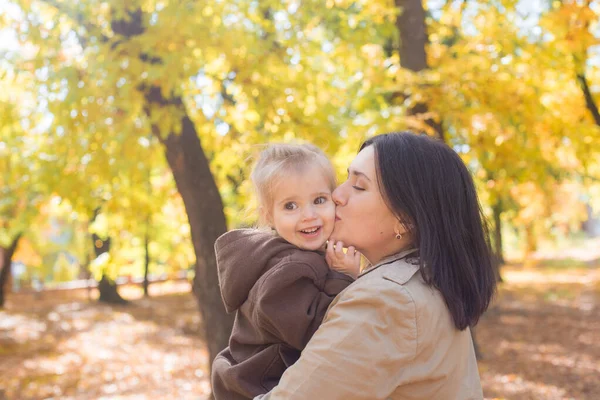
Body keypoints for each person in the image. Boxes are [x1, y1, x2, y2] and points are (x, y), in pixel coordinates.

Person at [256, 132, 497, 400]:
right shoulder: (426, 281)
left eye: (358, 186)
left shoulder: (387, 301)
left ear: (404, 221)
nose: (336, 195)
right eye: (345, 178)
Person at [211, 143, 361, 400]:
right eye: (291, 206)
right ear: (268, 216)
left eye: (319, 200)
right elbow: (321, 336)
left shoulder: (294, 255)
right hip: (262, 389)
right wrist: (343, 277)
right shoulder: (290, 268)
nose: (309, 215)